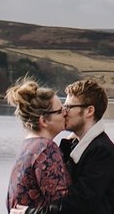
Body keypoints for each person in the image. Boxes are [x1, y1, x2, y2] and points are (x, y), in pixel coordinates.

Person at [16, 78, 114, 214]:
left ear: (89, 111)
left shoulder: (101, 151)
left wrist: (31, 212)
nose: (64, 112)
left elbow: (80, 204)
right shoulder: (75, 144)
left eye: (69, 107)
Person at [5, 77, 72, 212]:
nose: (65, 113)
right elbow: (63, 207)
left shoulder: (28, 145)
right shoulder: (47, 149)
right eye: (59, 111)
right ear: (44, 121)